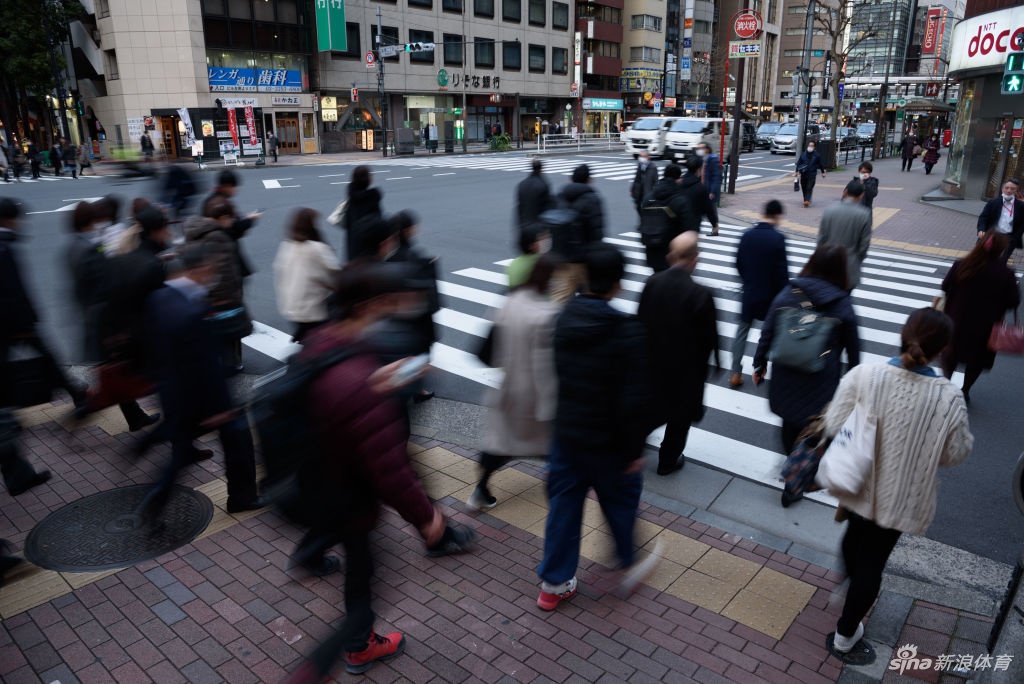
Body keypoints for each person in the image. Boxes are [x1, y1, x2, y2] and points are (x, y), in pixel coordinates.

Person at [283, 261, 475, 680]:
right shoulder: (357, 378)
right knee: (365, 577)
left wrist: (378, 381)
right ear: (369, 304)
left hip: (319, 481)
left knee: (363, 569)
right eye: (386, 302)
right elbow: (389, 467)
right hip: (348, 496)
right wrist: (427, 518)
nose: (392, 309)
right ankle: (347, 652)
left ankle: (353, 640)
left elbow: (337, 399)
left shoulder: (323, 339)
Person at [822, 307, 972, 666]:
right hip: (902, 497)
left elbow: (833, 423)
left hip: (857, 482)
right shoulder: (948, 398)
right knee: (873, 561)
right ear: (942, 350)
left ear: (903, 335)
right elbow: (954, 454)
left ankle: (848, 584)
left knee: (854, 539)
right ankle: (845, 636)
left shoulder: (865, 375)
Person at [536, 243, 655, 611]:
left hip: (567, 434)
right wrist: (634, 451)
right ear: (618, 283)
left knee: (564, 506)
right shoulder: (627, 330)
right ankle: (627, 560)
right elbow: (635, 399)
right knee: (620, 501)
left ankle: (553, 585)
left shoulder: (563, 318)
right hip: (609, 443)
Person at [139, 242, 264, 522]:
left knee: (182, 452)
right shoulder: (192, 310)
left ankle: (157, 496)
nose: (214, 273)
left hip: (173, 392)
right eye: (212, 268)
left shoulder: (159, 297)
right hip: (204, 398)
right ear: (199, 268)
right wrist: (221, 408)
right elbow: (206, 365)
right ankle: (242, 497)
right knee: (237, 440)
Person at [752, 244, 861, 462]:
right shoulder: (842, 303)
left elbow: (768, 331)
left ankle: (790, 460)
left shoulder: (789, 293)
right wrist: (853, 385)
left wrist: (759, 363)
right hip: (821, 379)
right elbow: (853, 350)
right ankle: (803, 468)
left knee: (789, 422)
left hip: (786, 374)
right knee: (815, 428)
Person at [468, 254, 561, 510]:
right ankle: (558, 500)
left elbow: (489, 351)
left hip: (508, 389)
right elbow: (544, 368)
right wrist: (552, 405)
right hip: (534, 397)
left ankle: (480, 490)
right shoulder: (547, 315)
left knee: (502, 443)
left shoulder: (511, 300)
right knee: (552, 448)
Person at [637, 233, 719, 476]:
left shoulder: (653, 283)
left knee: (649, 411)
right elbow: (708, 339)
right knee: (680, 416)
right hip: (686, 369)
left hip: (653, 362)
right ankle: (668, 460)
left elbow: (639, 323)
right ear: (695, 259)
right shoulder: (700, 293)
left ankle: (631, 449)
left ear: (671, 256)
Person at [0, 198, 88, 411]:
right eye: (16, 219)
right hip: (15, 321)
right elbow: (13, 289)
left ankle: (73, 390)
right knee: (47, 357)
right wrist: (26, 322)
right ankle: (74, 391)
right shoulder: (4, 247)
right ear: (7, 219)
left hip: (9, 320)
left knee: (39, 357)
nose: (20, 223)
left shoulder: (6, 243)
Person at [940, 231, 1020, 404]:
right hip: (986, 327)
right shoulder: (1006, 274)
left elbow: (945, 286)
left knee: (951, 356)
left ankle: (946, 385)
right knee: (976, 360)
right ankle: (965, 390)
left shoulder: (961, 265)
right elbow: (1013, 301)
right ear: (1000, 250)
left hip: (956, 321)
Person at [185, 196, 251, 372]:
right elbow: (226, 276)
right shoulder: (219, 237)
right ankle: (232, 365)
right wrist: (235, 298)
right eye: (230, 218)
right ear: (223, 218)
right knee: (228, 341)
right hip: (222, 303)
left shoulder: (195, 231)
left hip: (201, 301)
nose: (232, 222)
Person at [731, 200, 789, 388]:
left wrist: (748, 280)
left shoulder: (747, 235)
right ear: (778, 215)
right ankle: (759, 368)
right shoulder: (778, 239)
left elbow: (738, 263)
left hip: (750, 291)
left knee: (742, 331)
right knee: (769, 334)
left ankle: (735, 372)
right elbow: (782, 274)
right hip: (770, 296)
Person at [384, 210, 440, 404]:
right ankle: (416, 389)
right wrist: (431, 266)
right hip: (418, 317)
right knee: (419, 352)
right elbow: (427, 291)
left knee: (401, 352)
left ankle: (401, 388)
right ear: (409, 230)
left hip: (395, 316)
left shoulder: (390, 257)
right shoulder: (415, 256)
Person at [273, 208, 342, 343]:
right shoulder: (317, 248)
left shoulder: (286, 245)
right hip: (313, 310)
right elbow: (335, 273)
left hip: (291, 308)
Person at [548, 164, 605, 303]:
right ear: (589, 180)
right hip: (584, 259)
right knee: (592, 297)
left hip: (560, 258)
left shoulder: (559, 196)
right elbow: (597, 232)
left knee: (559, 300)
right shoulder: (592, 199)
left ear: (571, 179)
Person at [816, 180, 872, 289]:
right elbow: (864, 245)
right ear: (862, 195)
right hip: (849, 267)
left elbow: (821, 239)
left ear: (845, 192)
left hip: (828, 264)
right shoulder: (864, 214)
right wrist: (857, 260)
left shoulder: (829, 210)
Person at [638, 163, 692, 273]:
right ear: (678, 179)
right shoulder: (680, 199)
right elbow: (687, 227)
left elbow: (642, 220)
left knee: (657, 277)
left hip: (652, 249)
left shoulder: (648, 197)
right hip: (673, 253)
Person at [976, 178, 1024, 263]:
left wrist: (1015, 238)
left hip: (1008, 239)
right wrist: (981, 229)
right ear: (1002, 189)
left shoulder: (1021, 206)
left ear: (1016, 191)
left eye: (1012, 189)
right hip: (991, 236)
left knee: (1001, 263)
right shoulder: (993, 203)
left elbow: (1022, 224)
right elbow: (983, 217)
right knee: (981, 260)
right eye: (1007, 188)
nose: (1009, 191)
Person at [342, 165, 383, 262]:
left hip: (353, 251)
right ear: (368, 179)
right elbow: (378, 223)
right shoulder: (372, 198)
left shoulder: (352, 199)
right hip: (369, 253)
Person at [679, 155, 720, 236]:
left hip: (677, 225)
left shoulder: (679, 183)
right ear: (698, 169)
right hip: (692, 227)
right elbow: (708, 209)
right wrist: (714, 224)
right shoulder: (701, 188)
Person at [506, 223, 550, 291]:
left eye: (547, 237)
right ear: (531, 245)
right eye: (542, 239)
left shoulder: (515, 263)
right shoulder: (540, 265)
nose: (547, 240)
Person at [515, 158, 553, 235]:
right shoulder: (543, 184)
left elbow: (519, 206)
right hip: (538, 226)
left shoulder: (522, 184)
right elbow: (547, 207)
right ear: (541, 169)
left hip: (524, 225)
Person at [630, 151, 659, 227]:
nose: (641, 158)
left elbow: (656, 181)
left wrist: (655, 192)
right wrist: (632, 189)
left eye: (643, 156)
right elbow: (636, 178)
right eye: (640, 156)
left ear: (648, 157)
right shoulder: (640, 165)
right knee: (637, 206)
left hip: (647, 191)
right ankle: (643, 221)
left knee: (645, 208)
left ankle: (644, 223)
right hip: (639, 190)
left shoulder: (653, 167)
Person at [794, 140, 826, 207]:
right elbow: (799, 163)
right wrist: (796, 171)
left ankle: (806, 200)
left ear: (814, 147)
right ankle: (806, 199)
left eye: (812, 146)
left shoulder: (817, 155)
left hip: (812, 174)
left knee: (809, 187)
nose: (810, 147)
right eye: (809, 145)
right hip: (803, 173)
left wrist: (823, 172)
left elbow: (821, 164)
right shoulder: (803, 154)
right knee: (804, 187)